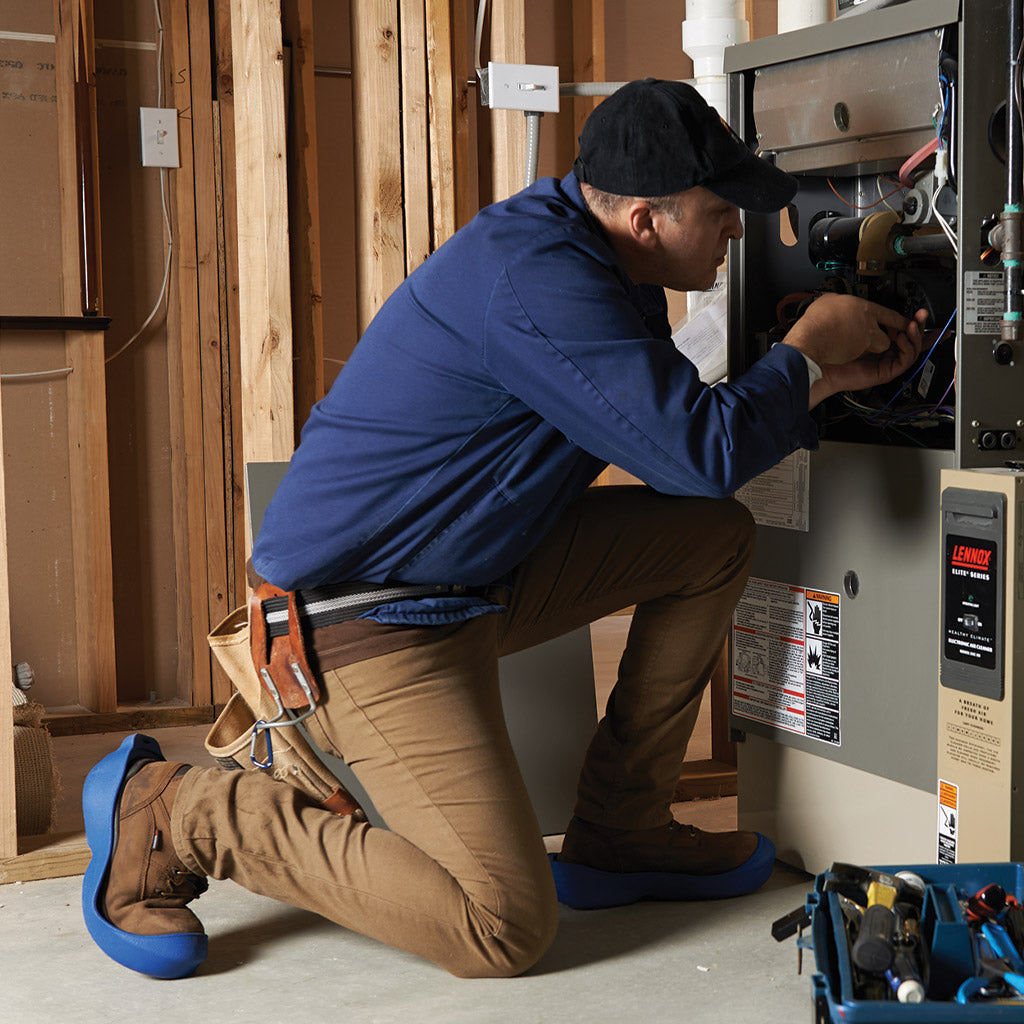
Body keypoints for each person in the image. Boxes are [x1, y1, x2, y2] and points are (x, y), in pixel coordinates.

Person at [81, 79, 925, 981]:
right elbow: (694, 451)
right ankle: (176, 811)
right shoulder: (541, 278)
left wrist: (823, 382)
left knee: (708, 538)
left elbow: (673, 442)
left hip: (470, 576)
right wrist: (800, 357)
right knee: (501, 925)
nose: (738, 233)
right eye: (722, 213)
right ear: (645, 219)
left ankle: (622, 833)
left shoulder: (598, 259)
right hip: (363, 622)